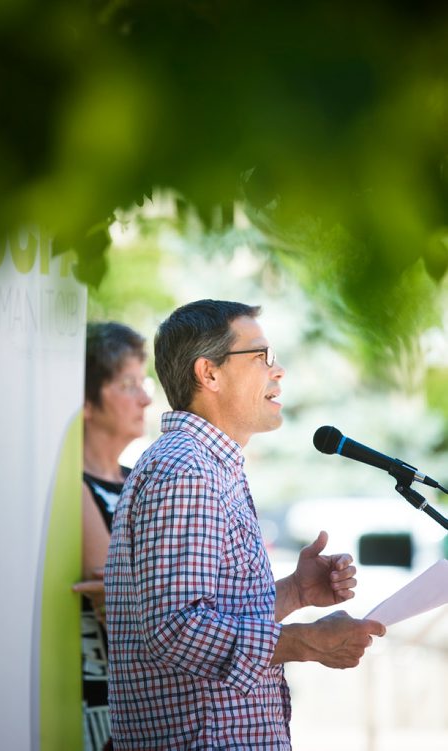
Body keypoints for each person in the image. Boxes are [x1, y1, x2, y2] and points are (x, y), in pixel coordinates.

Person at [104, 300, 386, 750]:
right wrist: (306, 642)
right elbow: (177, 629)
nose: (279, 371)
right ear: (209, 374)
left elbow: (211, 617)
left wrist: (294, 591)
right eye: (261, 356)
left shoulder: (208, 466)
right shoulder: (184, 470)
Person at [73, 321, 152, 751]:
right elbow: (115, 594)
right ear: (85, 401)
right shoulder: (72, 484)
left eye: (144, 383)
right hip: (99, 697)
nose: (145, 398)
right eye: (128, 384)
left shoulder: (137, 479)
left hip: (144, 695)